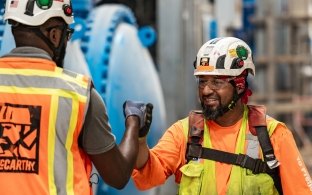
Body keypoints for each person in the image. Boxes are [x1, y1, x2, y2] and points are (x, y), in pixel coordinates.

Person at [0, 0, 153, 194]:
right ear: (55, 35)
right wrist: (133, 123)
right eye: (67, 34)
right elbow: (118, 175)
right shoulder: (78, 95)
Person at [132, 37, 312, 195]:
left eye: (217, 82)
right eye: (202, 82)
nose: (206, 90)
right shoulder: (184, 133)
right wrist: (140, 139)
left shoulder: (273, 136)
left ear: (240, 86)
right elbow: (148, 176)